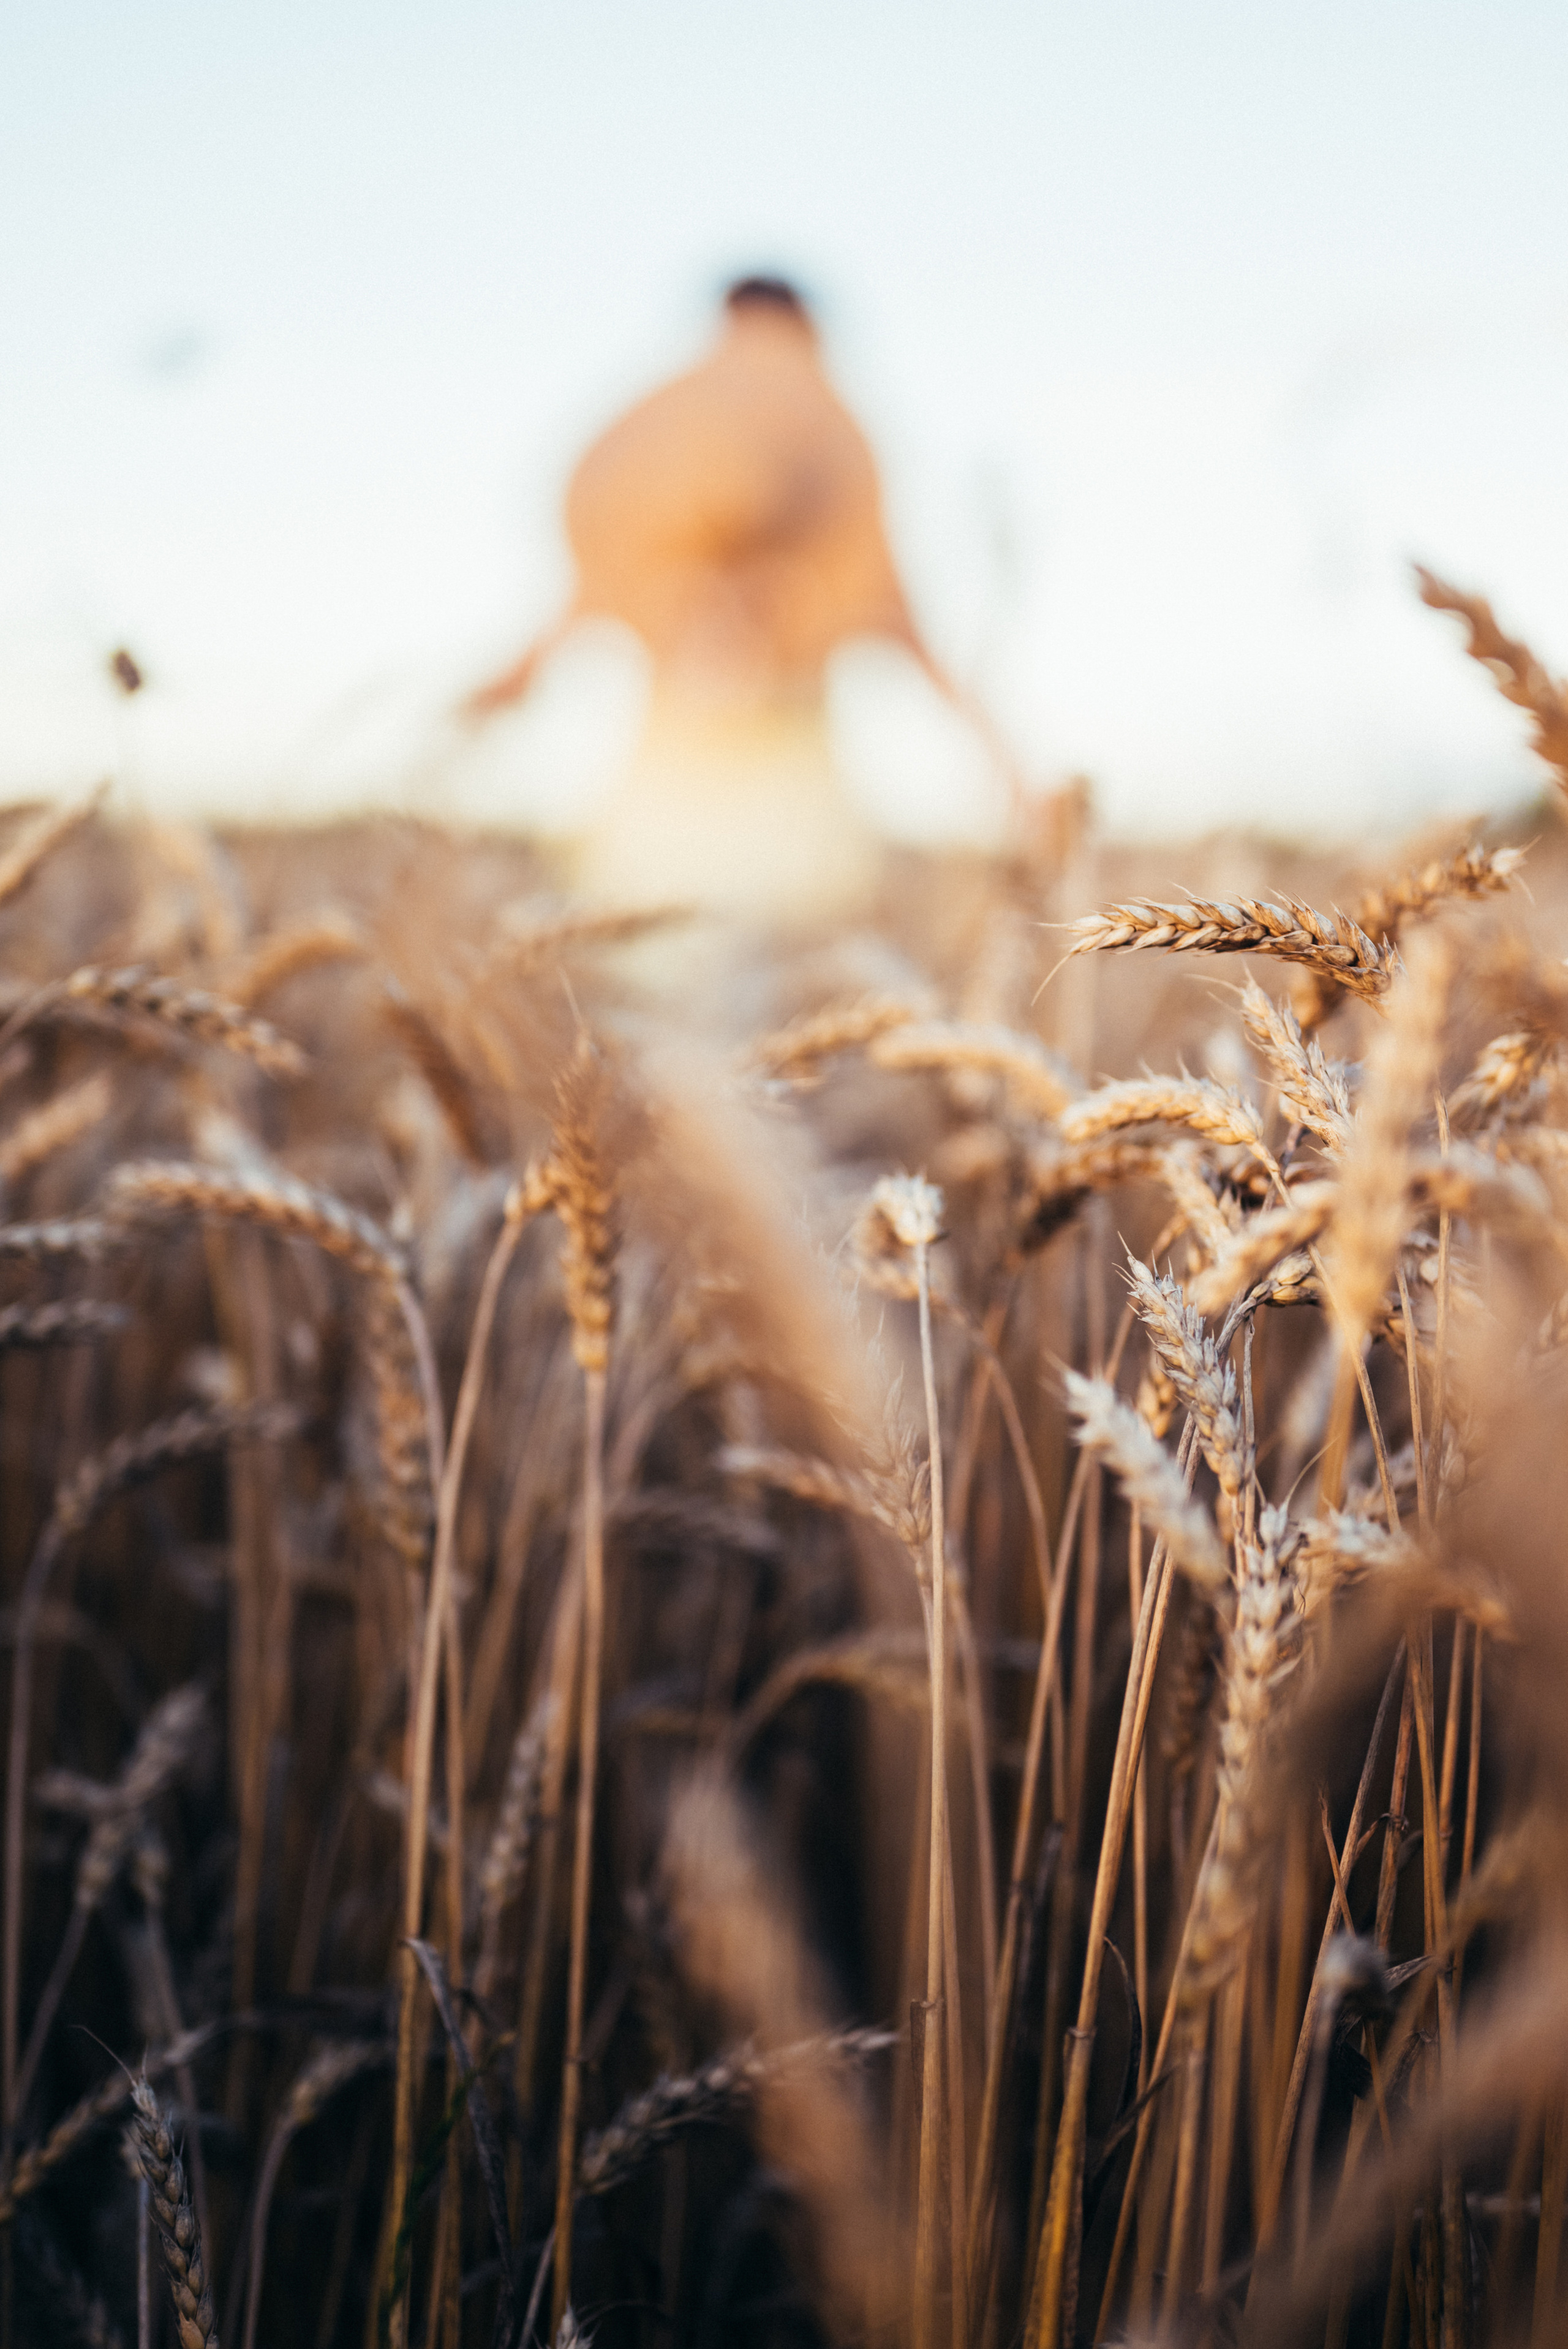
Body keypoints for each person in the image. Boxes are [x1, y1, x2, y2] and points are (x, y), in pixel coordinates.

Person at [462, 276, 1015, 924]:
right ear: (809, 330)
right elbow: (913, 638)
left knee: (655, 955)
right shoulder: (836, 434)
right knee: (796, 945)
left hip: (666, 777)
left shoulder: (658, 426)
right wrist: (1014, 776)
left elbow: (577, 601)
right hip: (787, 777)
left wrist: (482, 708)